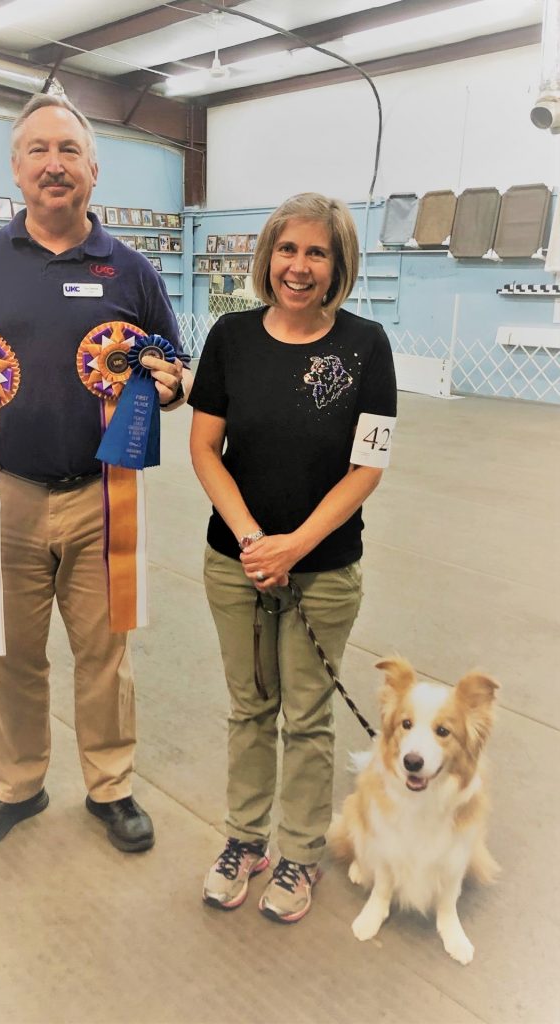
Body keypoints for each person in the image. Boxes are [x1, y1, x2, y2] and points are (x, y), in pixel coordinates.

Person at [0, 93, 191, 855]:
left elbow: (175, 364)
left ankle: (110, 785)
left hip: (100, 495)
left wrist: (172, 384)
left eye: (68, 150)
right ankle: (16, 787)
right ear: (16, 169)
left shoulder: (131, 269)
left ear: (94, 168)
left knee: (105, 656)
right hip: (3, 497)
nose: (54, 164)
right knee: (6, 656)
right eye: (38, 150)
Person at [188, 192, 397, 924]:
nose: (297, 267)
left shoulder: (366, 345)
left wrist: (296, 545)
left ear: (337, 265)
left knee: (306, 717)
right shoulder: (230, 337)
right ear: (265, 256)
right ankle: (244, 841)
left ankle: (301, 852)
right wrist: (252, 540)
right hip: (236, 564)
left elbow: (367, 467)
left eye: (315, 253)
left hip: (324, 569)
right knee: (250, 709)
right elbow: (203, 449)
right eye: (286, 249)